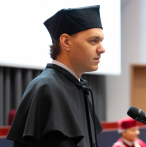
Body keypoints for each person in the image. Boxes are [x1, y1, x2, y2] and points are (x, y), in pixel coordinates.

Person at [7, 5, 105, 147]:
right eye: (94, 41)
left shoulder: (78, 86)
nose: (102, 49)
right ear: (66, 42)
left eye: (101, 41)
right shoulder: (47, 87)